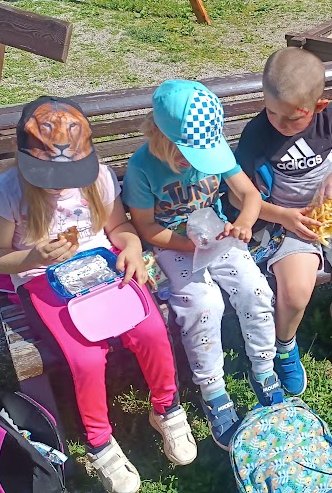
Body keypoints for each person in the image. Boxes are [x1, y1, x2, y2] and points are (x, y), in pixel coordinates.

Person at [0, 97, 196, 493]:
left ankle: (167, 408)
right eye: (51, 175)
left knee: (150, 330)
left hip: (102, 264)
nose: (62, 183)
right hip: (42, 276)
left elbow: (120, 228)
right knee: (85, 357)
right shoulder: (5, 192)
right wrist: (33, 256)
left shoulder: (98, 178)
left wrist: (132, 248)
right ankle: (100, 443)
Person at [122, 80, 282, 450]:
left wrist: (244, 223)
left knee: (256, 290)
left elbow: (248, 194)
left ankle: (264, 368)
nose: (195, 162)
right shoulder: (142, 167)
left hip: (218, 233)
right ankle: (213, 391)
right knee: (203, 304)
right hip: (173, 245)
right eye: (186, 154)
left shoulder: (214, 148)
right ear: (158, 134)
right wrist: (188, 244)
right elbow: (147, 227)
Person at [234, 47, 332, 396]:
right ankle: (284, 346)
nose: (280, 124)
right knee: (295, 293)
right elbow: (238, 195)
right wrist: (282, 216)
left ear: (318, 106)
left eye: (292, 119)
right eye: (272, 111)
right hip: (285, 218)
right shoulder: (257, 132)